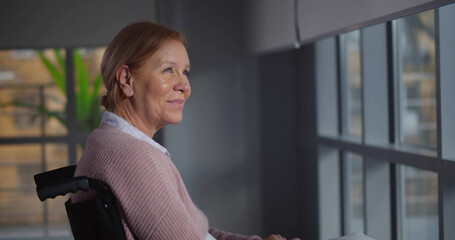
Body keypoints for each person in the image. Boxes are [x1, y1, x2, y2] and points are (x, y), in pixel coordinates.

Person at [73, 21, 299, 240]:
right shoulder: (132, 156)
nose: (185, 86)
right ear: (126, 79)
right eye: (168, 70)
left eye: (185, 73)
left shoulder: (107, 141)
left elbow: (195, 233)